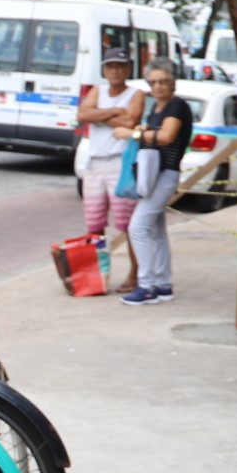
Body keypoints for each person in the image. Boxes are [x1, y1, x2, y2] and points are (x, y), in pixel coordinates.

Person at [121, 60, 192, 307]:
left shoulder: (177, 106)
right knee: (156, 230)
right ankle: (162, 284)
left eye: (163, 81)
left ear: (173, 82)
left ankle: (147, 284)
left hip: (165, 174)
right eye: (154, 82)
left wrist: (134, 133)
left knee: (138, 228)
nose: (159, 86)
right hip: (156, 174)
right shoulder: (158, 108)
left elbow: (166, 136)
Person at [76, 48, 145, 291]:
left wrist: (97, 116)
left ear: (128, 68)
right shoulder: (98, 90)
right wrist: (115, 112)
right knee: (94, 224)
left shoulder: (136, 94)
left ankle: (135, 274)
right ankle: (96, 276)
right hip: (95, 162)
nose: (115, 70)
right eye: (110, 65)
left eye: (120, 65)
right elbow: (82, 114)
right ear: (104, 69)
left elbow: (131, 121)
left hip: (120, 162)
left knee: (128, 224)